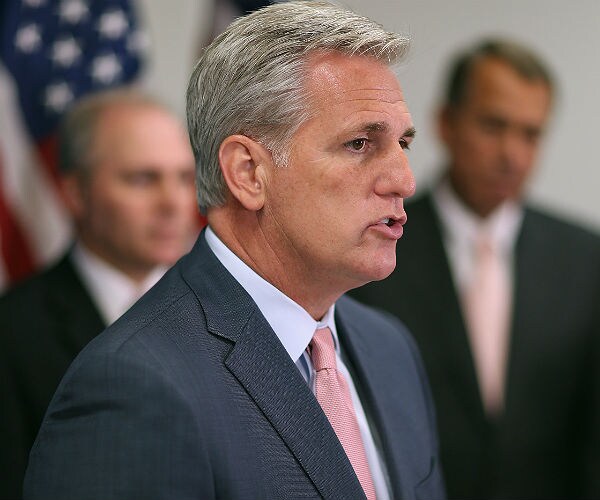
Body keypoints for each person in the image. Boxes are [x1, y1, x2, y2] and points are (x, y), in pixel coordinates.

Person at [23, 2, 447, 499]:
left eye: (403, 145)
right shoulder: (133, 387)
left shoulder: (389, 348)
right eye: (359, 144)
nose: (404, 181)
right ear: (248, 173)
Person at [350, 38, 600, 499]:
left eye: (530, 134)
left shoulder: (586, 259)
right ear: (446, 123)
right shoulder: (374, 247)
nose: (512, 154)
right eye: (493, 125)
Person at [0, 89, 198, 500]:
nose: (173, 202)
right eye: (143, 179)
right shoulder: (11, 332)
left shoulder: (225, 310)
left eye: (184, 178)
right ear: (76, 193)